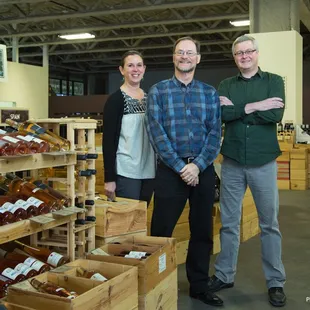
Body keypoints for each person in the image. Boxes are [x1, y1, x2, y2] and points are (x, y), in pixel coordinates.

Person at [208, 35, 287, 307]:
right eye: (239, 53)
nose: (245, 56)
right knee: (229, 223)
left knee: (269, 225)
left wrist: (238, 110)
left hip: (263, 162)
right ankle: (224, 274)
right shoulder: (226, 85)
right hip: (231, 163)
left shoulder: (274, 81)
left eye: (249, 51)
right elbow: (222, 115)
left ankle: (275, 281)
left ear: (257, 53)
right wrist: (256, 106)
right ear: (235, 57)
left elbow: (274, 116)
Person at [146, 37, 223, 307]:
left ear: (198, 58)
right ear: (174, 57)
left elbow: (215, 134)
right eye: (181, 53)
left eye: (190, 53)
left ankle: (199, 287)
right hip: (170, 171)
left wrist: (197, 166)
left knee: (202, 230)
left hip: (202, 170)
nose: (185, 57)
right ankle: (156, 284)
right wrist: (181, 167)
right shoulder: (158, 91)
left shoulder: (209, 93)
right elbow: (157, 134)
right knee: (161, 231)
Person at [102, 50, 155, 205]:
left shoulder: (150, 99)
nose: (135, 69)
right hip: (126, 171)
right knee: (127, 221)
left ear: (144, 69)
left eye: (139, 65)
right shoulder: (115, 100)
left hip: (149, 170)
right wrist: (109, 178)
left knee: (140, 219)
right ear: (122, 70)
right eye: (130, 65)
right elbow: (108, 142)